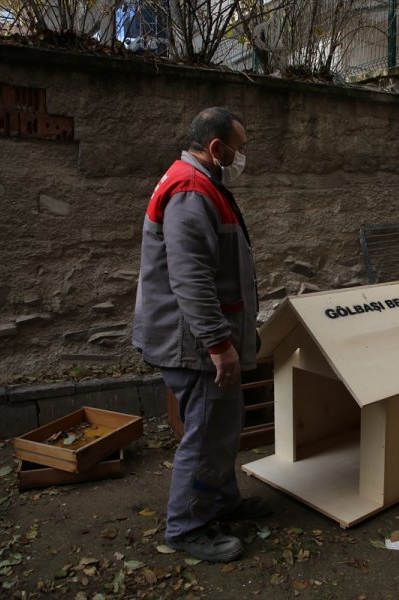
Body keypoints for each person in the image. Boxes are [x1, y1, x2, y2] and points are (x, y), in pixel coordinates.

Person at [132, 107, 271, 563]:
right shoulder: (192, 190)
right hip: (193, 344)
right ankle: (187, 527)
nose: (241, 157)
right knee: (208, 432)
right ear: (216, 147)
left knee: (221, 426)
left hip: (198, 339)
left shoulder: (203, 184)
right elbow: (191, 278)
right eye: (239, 148)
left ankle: (221, 501)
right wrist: (219, 345)